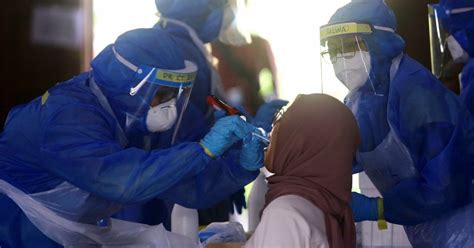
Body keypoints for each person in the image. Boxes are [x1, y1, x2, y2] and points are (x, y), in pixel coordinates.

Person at [0, 27, 266, 247]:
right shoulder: (69, 115)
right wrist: (203, 150)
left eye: (177, 95)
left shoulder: (135, 122)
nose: (169, 106)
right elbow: (122, 180)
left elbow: (184, 185)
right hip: (15, 228)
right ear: (130, 84)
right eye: (161, 94)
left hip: (65, 228)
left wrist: (241, 168)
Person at [111, 0, 288, 226]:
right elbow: (184, 131)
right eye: (226, 5)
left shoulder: (181, 43)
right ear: (205, 7)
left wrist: (243, 126)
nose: (230, 13)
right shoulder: (178, 53)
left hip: (173, 186)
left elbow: (209, 107)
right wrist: (232, 161)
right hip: (167, 197)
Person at [320, 0, 474, 247]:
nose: (340, 60)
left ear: (379, 44)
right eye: (332, 50)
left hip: (463, 230)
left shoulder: (418, 94)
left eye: (350, 46)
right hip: (425, 231)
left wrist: (377, 208)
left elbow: (445, 185)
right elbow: (350, 152)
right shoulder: (362, 97)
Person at [245, 94, 359, 248]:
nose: (270, 132)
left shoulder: (284, 213)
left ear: (299, 143)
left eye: (279, 123)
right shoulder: (324, 203)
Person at [436, 0, 474, 117]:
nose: (449, 40)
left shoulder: (471, 72)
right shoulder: (468, 69)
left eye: (452, 32)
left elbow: (464, 130)